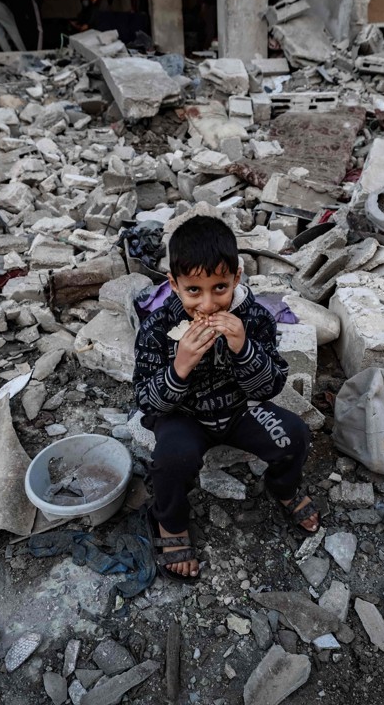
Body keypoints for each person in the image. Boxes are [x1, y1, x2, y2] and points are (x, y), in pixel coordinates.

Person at [133, 215, 318, 582]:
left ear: (237, 278)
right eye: (193, 291)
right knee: (172, 458)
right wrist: (180, 366)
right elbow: (147, 402)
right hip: (183, 415)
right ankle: (170, 524)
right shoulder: (156, 328)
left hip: (238, 410)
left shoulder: (255, 319)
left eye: (220, 288)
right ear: (174, 285)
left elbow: (269, 388)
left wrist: (243, 347)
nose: (208, 305)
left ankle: (283, 488)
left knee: (294, 434)